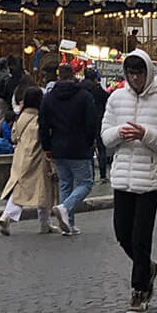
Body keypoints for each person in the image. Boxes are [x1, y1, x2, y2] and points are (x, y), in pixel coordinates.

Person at [101, 49, 157, 313]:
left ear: (148, 72)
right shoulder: (116, 98)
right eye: (130, 73)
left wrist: (145, 134)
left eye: (139, 73)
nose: (135, 78)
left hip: (149, 177)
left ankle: (139, 290)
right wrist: (119, 133)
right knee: (122, 234)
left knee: (140, 236)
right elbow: (105, 136)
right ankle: (147, 267)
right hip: (122, 176)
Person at [40, 63, 99, 236]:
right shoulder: (84, 96)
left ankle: (68, 224)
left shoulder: (49, 98)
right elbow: (91, 122)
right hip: (79, 146)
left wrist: (47, 146)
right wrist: (90, 142)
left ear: (58, 77)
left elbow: (43, 124)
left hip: (57, 146)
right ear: (73, 76)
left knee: (65, 183)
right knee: (85, 183)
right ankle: (65, 209)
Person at [0, 86, 56, 235]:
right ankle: (43, 223)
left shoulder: (21, 116)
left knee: (20, 187)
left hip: (20, 156)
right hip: (37, 158)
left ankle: (8, 215)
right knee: (42, 189)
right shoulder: (39, 118)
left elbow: (13, 136)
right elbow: (43, 137)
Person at [80, 67, 111, 180]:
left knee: (88, 148)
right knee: (101, 148)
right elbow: (108, 97)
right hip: (99, 120)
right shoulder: (98, 89)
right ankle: (102, 175)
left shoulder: (79, 88)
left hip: (83, 121)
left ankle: (90, 174)